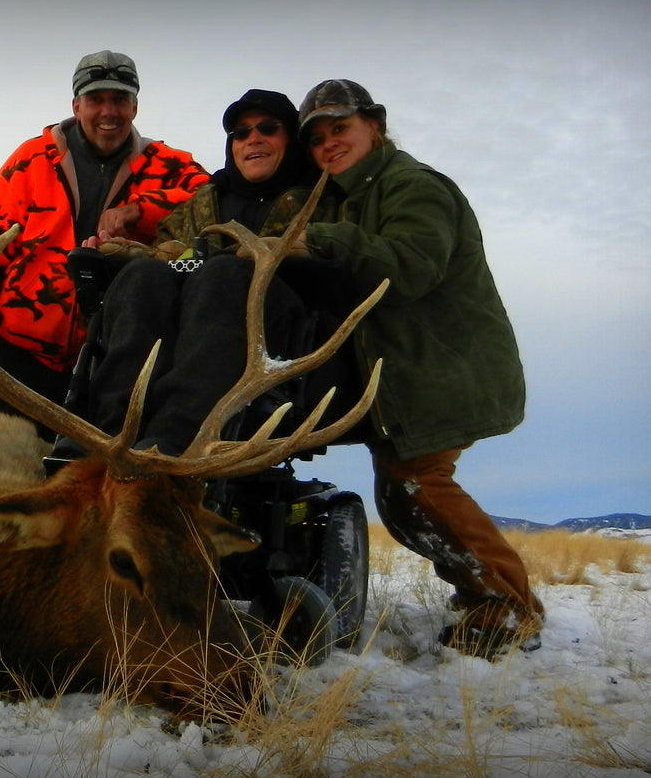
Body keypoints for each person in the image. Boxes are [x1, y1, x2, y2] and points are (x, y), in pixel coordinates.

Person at [295, 78, 544, 656]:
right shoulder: (353, 194)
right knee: (403, 493)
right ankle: (487, 596)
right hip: (412, 375)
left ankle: (510, 608)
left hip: (443, 370)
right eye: (317, 139)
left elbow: (410, 266)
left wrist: (319, 238)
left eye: (341, 129)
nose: (329, 144)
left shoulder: (413, 186)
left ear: (373, 126)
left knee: (417, 486)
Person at [62, 88, 341, 458]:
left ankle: (172, 439)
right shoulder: (204, 203)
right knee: (143, 276)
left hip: (275, 336)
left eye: (268, 128)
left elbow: (335, 258)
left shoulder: (323, 201)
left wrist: (273, 254)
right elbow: (171, 252)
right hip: (192, 323)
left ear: (290, 138)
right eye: (240, 133)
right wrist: (121, 253)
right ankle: (108, 431)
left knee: (222, 274)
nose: (252, 139)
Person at [0, 50, 209, 422]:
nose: (108, 112)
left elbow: (212, 196)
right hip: (15, 355)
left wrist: (139, 211)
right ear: (76, 105)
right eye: (96, 100)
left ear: (134, 107)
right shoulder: (31, 161)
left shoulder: (167, 164)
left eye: (119, 100)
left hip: (107, 364)